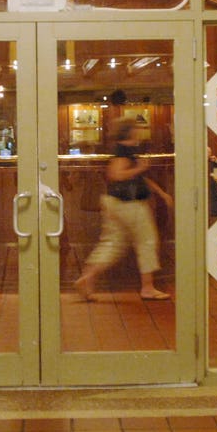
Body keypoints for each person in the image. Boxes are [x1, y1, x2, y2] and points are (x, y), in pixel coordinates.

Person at [72, 119, 174, 300]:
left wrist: (160, 193)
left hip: (114, 203)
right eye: (137, 129)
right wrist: (139, 169)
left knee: (112, 244)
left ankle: (87, 277)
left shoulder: (123, 149)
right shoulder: (124, 151)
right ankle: (148, 287)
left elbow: (140, 178)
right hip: (131, 204)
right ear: (130, 131)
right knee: (147, 241)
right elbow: (116, 174)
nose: (140, 132)